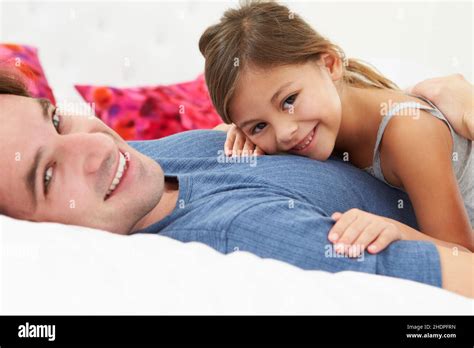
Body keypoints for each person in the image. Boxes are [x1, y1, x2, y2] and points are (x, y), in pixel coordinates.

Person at [0, 68, 472, 298]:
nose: (99, 148)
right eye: (46, 174)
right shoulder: (249, 234)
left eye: (58, 119)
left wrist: (420, 102)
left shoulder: (141, 163)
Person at [202, 1, 473, 254]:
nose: (285, 133)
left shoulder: (409, 132)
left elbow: (461, 255)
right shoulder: (317, 125)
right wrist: (243, 134)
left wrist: (399, 231)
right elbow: (213, 135)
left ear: (330, 64)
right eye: (260, 125)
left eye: (289, 101)